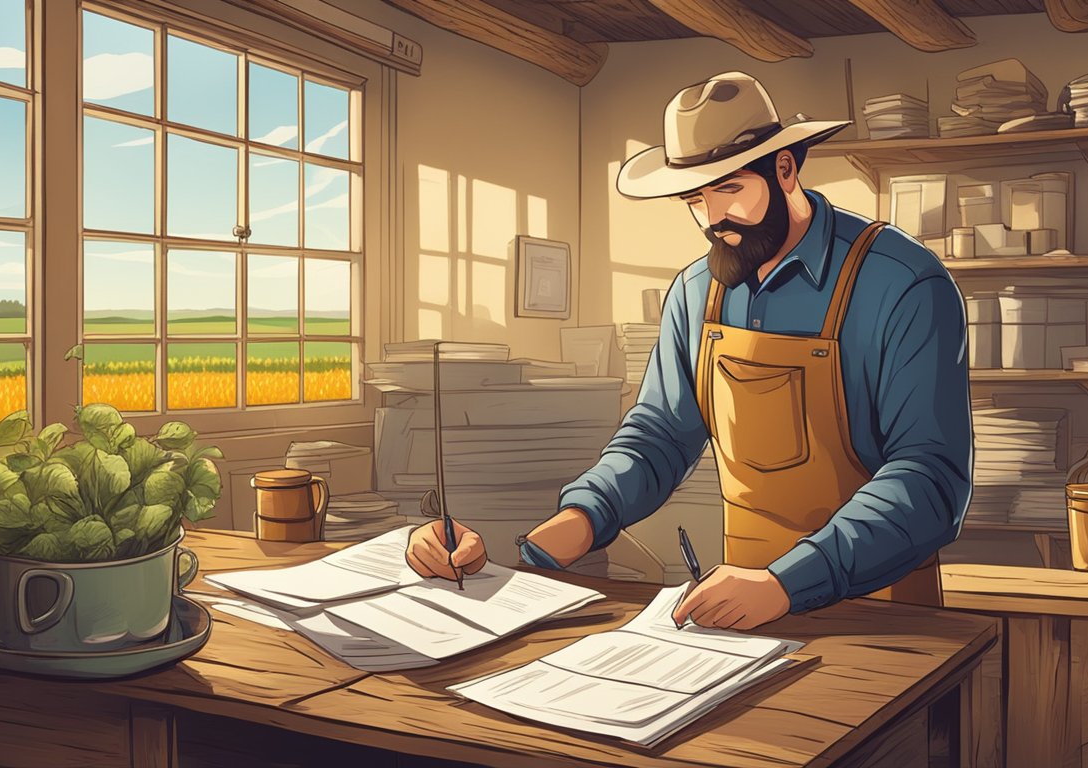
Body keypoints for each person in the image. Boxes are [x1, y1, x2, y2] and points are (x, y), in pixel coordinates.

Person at [407, 71, 973, 630]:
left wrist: (789, 581)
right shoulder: (696, 292)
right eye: (695, 199)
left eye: (730, 190)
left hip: (879, 605)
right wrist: (580, 517)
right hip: (734, 605)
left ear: (785, 168)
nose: (713, 220)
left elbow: (929, 476)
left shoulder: (902, 283)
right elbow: (659, 433)